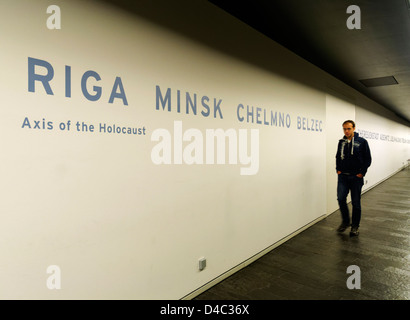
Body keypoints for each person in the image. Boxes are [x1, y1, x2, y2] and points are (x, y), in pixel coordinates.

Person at [335, 120, 372, 236]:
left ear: (354, 128)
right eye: (344, 129)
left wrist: (362, 173)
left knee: (356, 203)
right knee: (341, 199)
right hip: (343, 177)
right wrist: (338, 170)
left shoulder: (362, 142)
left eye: (348, 129)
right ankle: (346, 222)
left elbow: (368, 159)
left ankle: (355, 226)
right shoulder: (341, 142)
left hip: (356, 177)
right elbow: (337, 157)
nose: (346, 131)